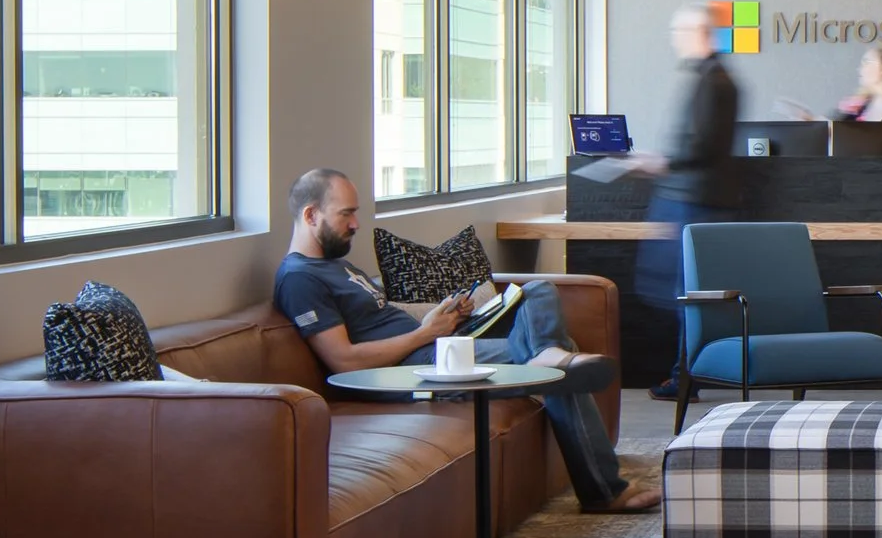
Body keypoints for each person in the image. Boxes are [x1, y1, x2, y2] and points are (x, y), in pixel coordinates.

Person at [273, 168, 659, 513]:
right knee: (562, 368)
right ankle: (603, 489)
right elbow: (345, 361)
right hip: (414, 367)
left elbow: (380, 320)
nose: (356, 223)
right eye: (346, 214)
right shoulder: (300, 279)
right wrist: (425, 333)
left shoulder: (335, 265)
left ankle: (544, 354)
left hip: (434, 343)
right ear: (311, 215)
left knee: (538, 290)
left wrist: (439, 315)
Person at [630, 4, 741, 397]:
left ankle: (684, 377)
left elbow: (703, 143)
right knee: (674, 289)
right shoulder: (705, 75)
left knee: (683, 292)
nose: (674, 38)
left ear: (700, 33)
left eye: (679, 31)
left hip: (696, 200)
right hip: (687, 197)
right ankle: (683, 374)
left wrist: (662, 161)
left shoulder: (714, 79)